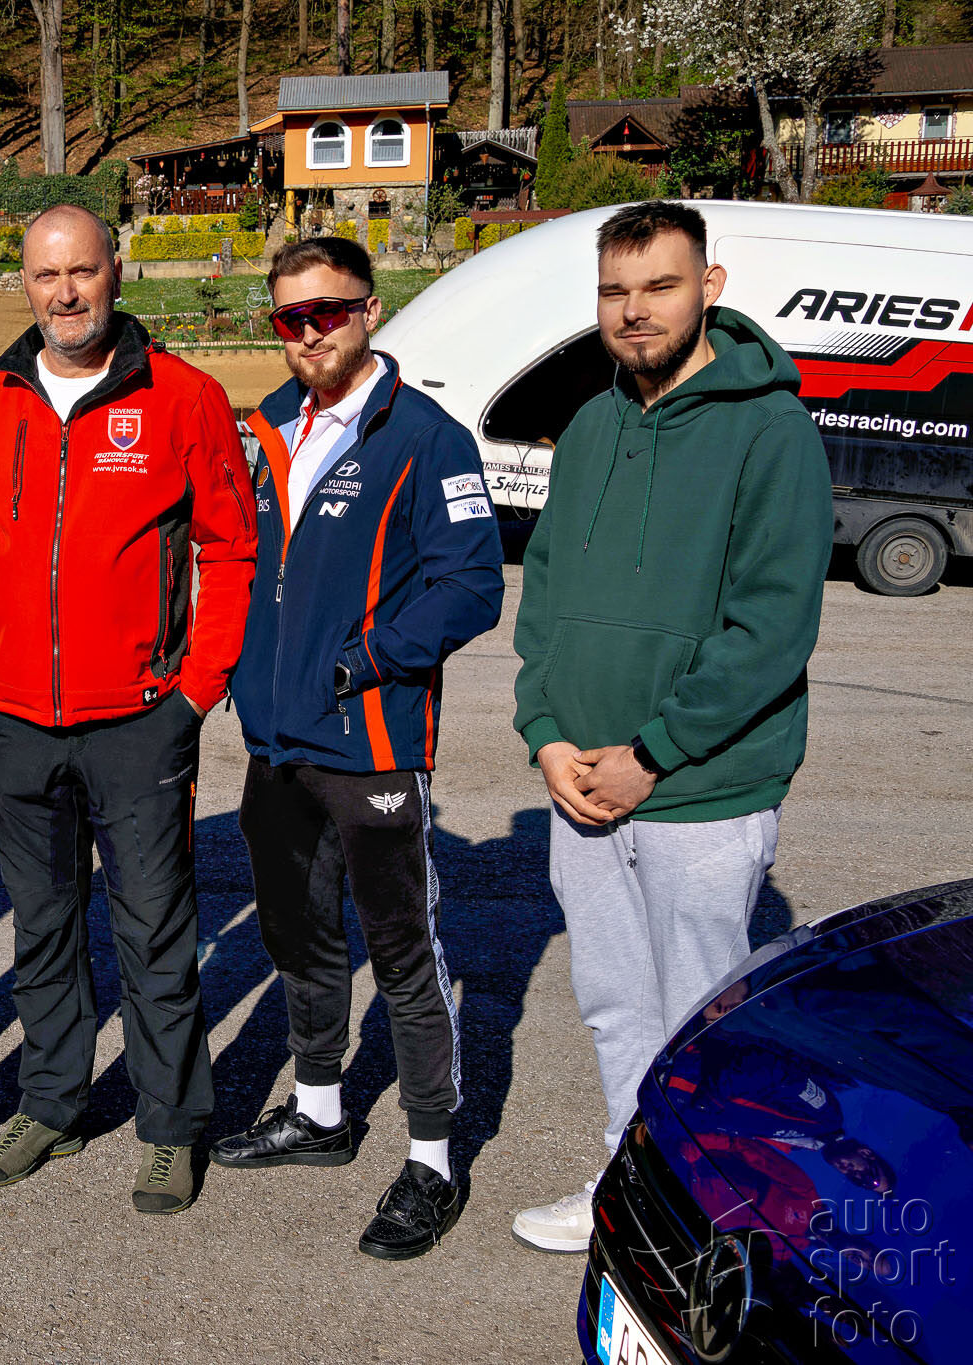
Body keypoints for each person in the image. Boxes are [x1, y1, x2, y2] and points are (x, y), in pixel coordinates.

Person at [508, 201, 832, 1253]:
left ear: (709, 288)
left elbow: (770, 628)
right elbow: (545, 597)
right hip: (579, 785)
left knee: (703, 1019)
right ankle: (630, 1185)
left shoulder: (770, 430)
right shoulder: (590, 426)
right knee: (614, 1005)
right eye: (614, 291)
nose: (633, 310)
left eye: (658, 286)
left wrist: (652, 755)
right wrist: (545, 733)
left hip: (701, 788)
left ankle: (710, 1222)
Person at [0, 204, 257, 1216]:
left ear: (115, 272)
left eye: (81, 271)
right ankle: (52, 1105)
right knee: (42, 930)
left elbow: (231, 549)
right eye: (46, 275)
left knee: (154, 933)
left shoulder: (183, 397)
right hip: (17, 723)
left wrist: (195, 690)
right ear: (24, 284)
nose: (65, 293)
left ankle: (170, 1127)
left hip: (139, 722)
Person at [206, 235, 503, 1260]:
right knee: (299, 936)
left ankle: (432, 1162)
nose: (309, 332)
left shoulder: (424, 436)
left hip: (370, 738)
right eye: (289, 317)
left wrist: (363, 660)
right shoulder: (271, 425)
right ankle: (321, 1111)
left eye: (327, 311)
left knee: (403, 955)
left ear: (369, 310)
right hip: (275, 742)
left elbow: (472, 587)